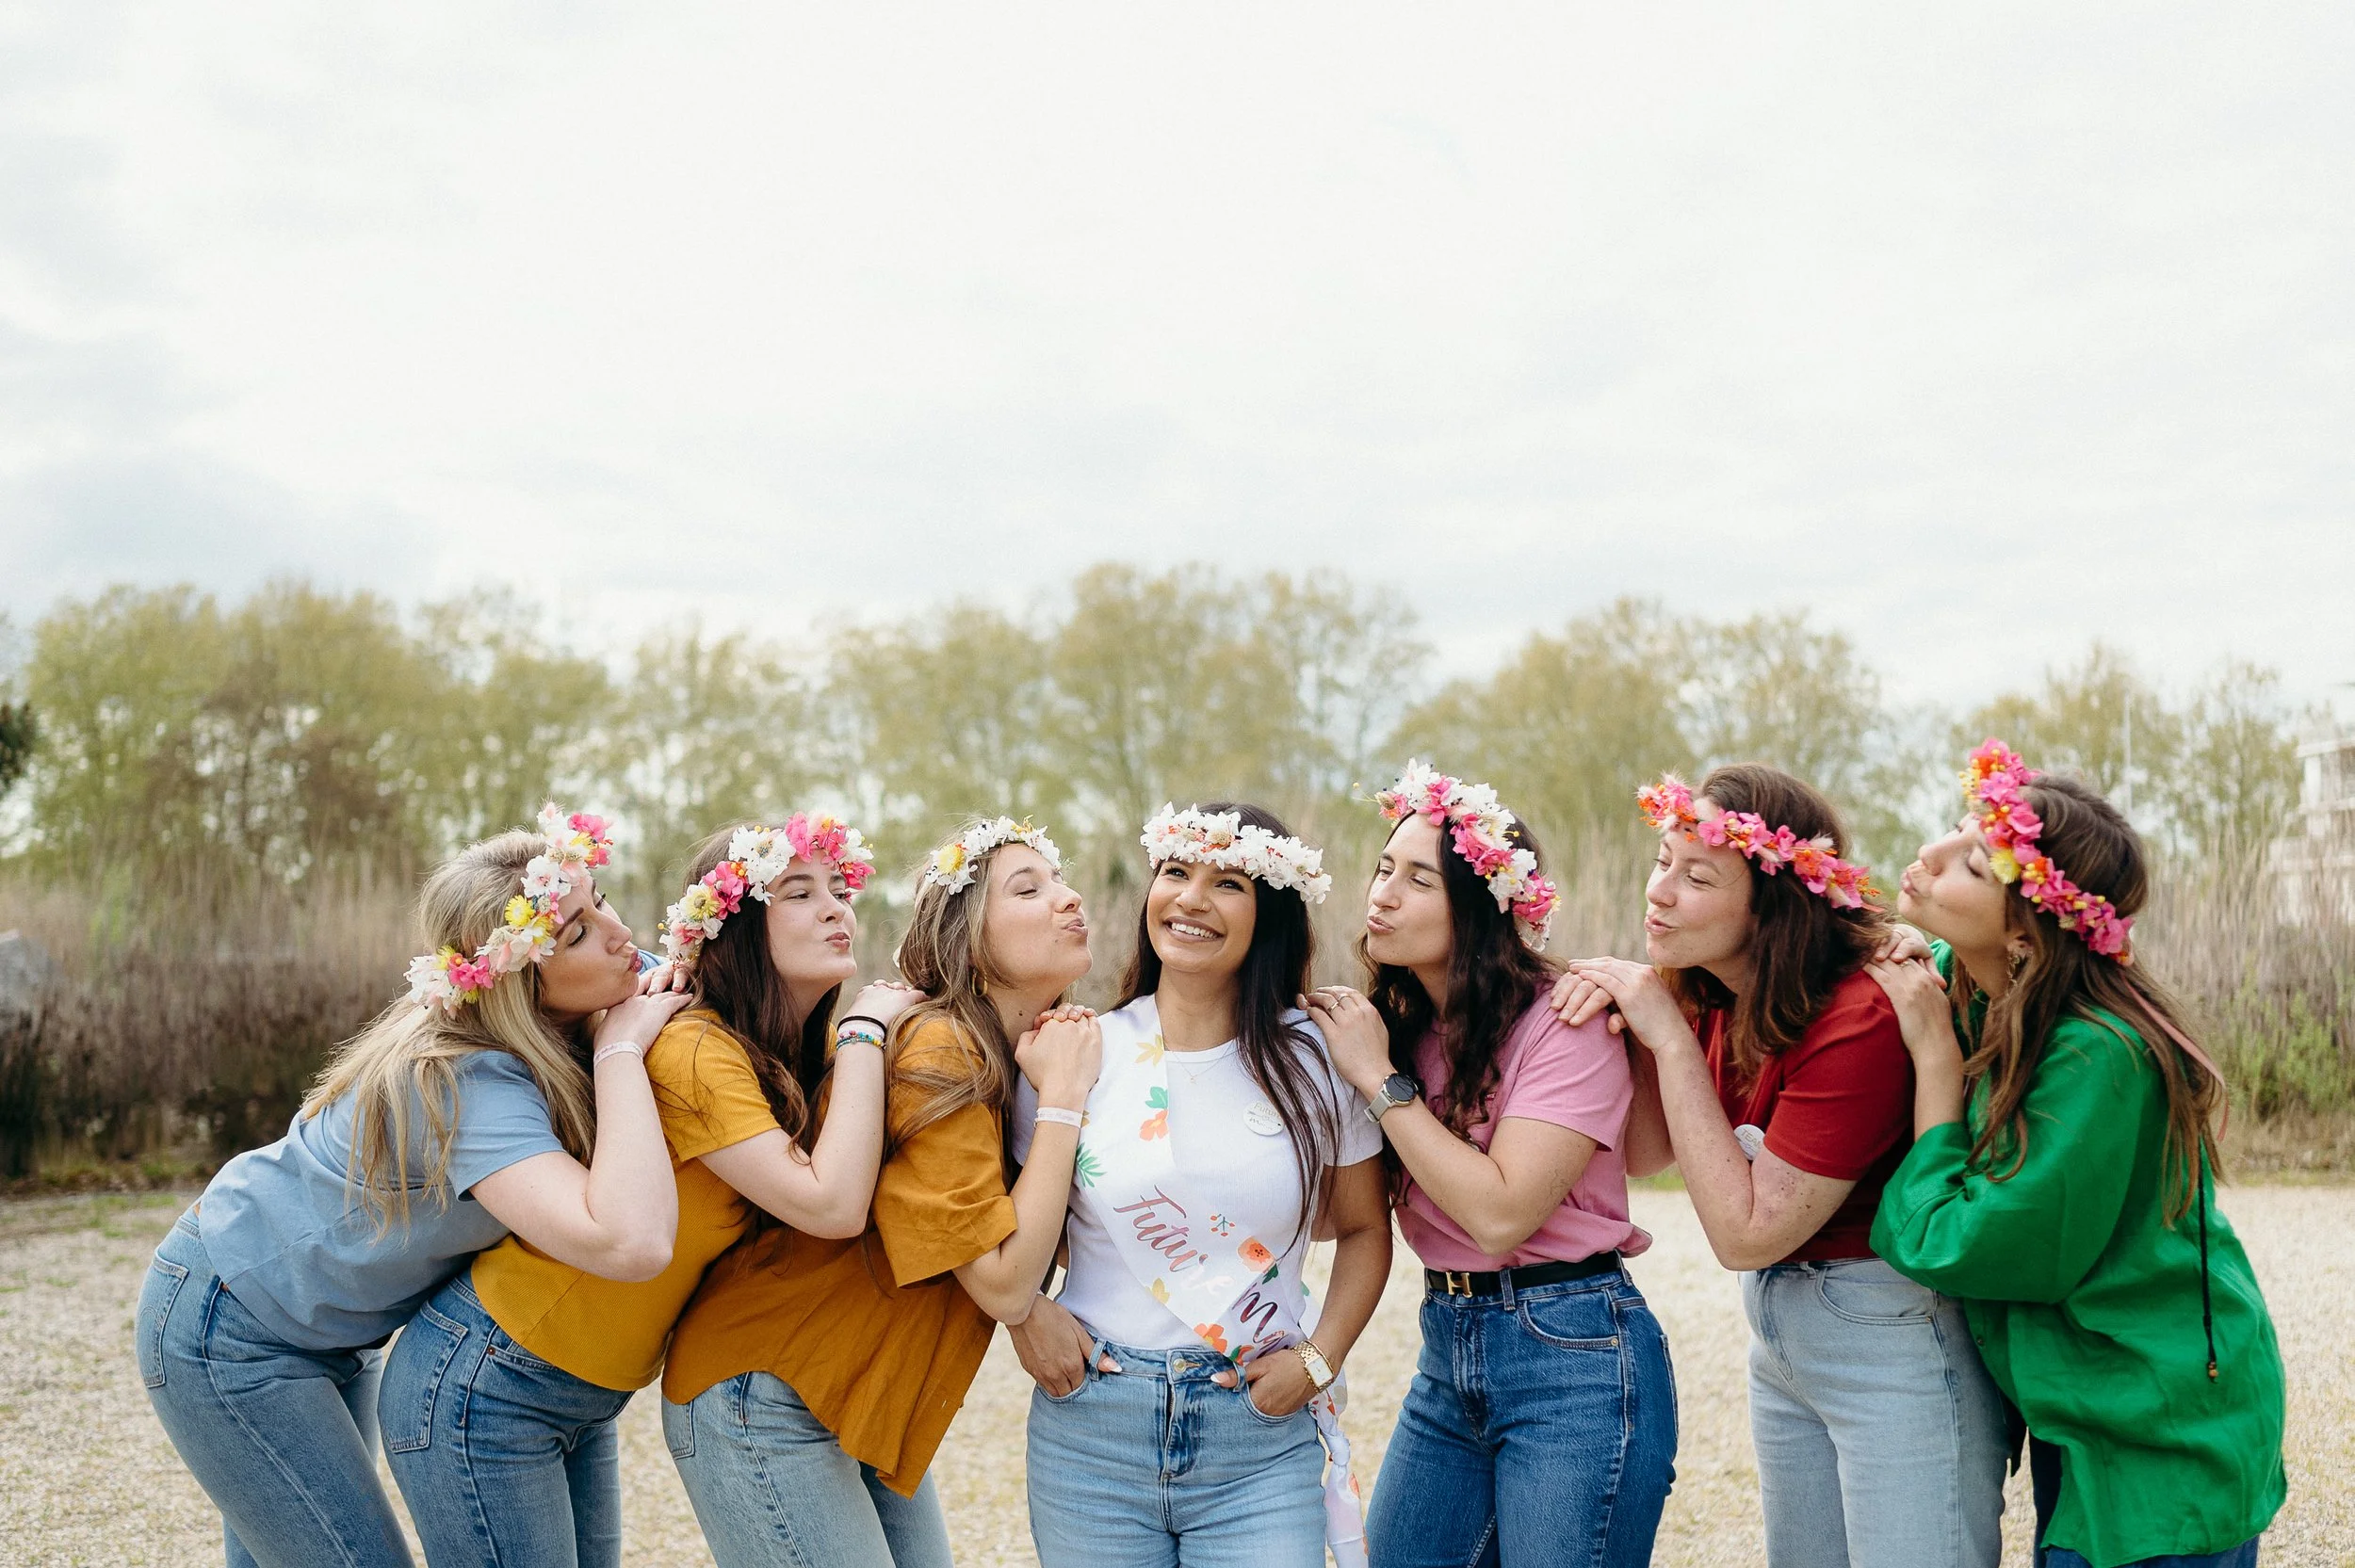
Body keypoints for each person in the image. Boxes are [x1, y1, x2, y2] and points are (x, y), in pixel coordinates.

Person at [134, 807, 690, 1568]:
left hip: (329, 1319)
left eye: (602, 900)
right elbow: (628, 1239)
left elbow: (691, 982)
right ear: (520, 983)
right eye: (578, 933)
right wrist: (622, 1048)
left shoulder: (556, 1006)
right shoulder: (468, 1079)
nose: (620, 934)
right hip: (232, 1324)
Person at [380, 814, 912, 1567]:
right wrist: (866, 1028)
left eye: (839, 888)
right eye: (799, 892)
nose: (838, 909)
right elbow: (830, 1204)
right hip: (486, 1383)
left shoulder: (768, 1037)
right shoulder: (694, 1047)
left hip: (583, 1394)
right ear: (745, 929)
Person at [1554, 765, 2006, 1568]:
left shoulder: (1858, 1013)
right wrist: (1613, 1030)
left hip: (1889, 1339)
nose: (1659, 891)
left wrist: (1665, 1037)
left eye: (1697, 876)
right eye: (1663, 860)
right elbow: (1646, 1149)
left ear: (1771, 905)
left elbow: (1747, 1230)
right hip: (1781, 1337)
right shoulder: (1719, 990)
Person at [1868, 741, 2286, 1568]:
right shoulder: (1980, 989)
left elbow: (1975, 1244)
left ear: (2025, 931)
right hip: (2093, 1405)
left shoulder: (2097, 1052)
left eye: (1974, 866)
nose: (1931, 854)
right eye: (1954, 831)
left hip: (2156, 1423)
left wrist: (1935, 1066)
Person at [660, 816, 1099, 1568]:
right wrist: (1063, 1100)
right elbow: (998, 1276)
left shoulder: (1012, 1048)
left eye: (1059, 879)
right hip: (766, 1393)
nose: (1070, 898)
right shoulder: (941, 1044)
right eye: (1030, 887)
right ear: (968, 939)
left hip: (854, 1392)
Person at [1306, 760, 1676, 1566]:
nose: (1383, 894)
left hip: (1573, 1353)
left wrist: (1377, 1079)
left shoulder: (1565, 1022)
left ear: (1477, 908)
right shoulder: (1400, 1025)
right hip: (1447, 1347)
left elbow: (1503, 1212)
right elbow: (1343, 1209)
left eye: (1417, 880)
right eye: (1382, 868)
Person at [1007, 802, 1392, 1568]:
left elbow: (1363, 1229)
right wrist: (1026, 1317)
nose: (1190, 898)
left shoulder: (1317, 1057)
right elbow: (1019, 1235)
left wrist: (1317, 1360)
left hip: (1257, 1427)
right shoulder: (1078, 1048)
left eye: (1227, 884)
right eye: (1176, 872)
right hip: (1092, 1428)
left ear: (1268, 914)